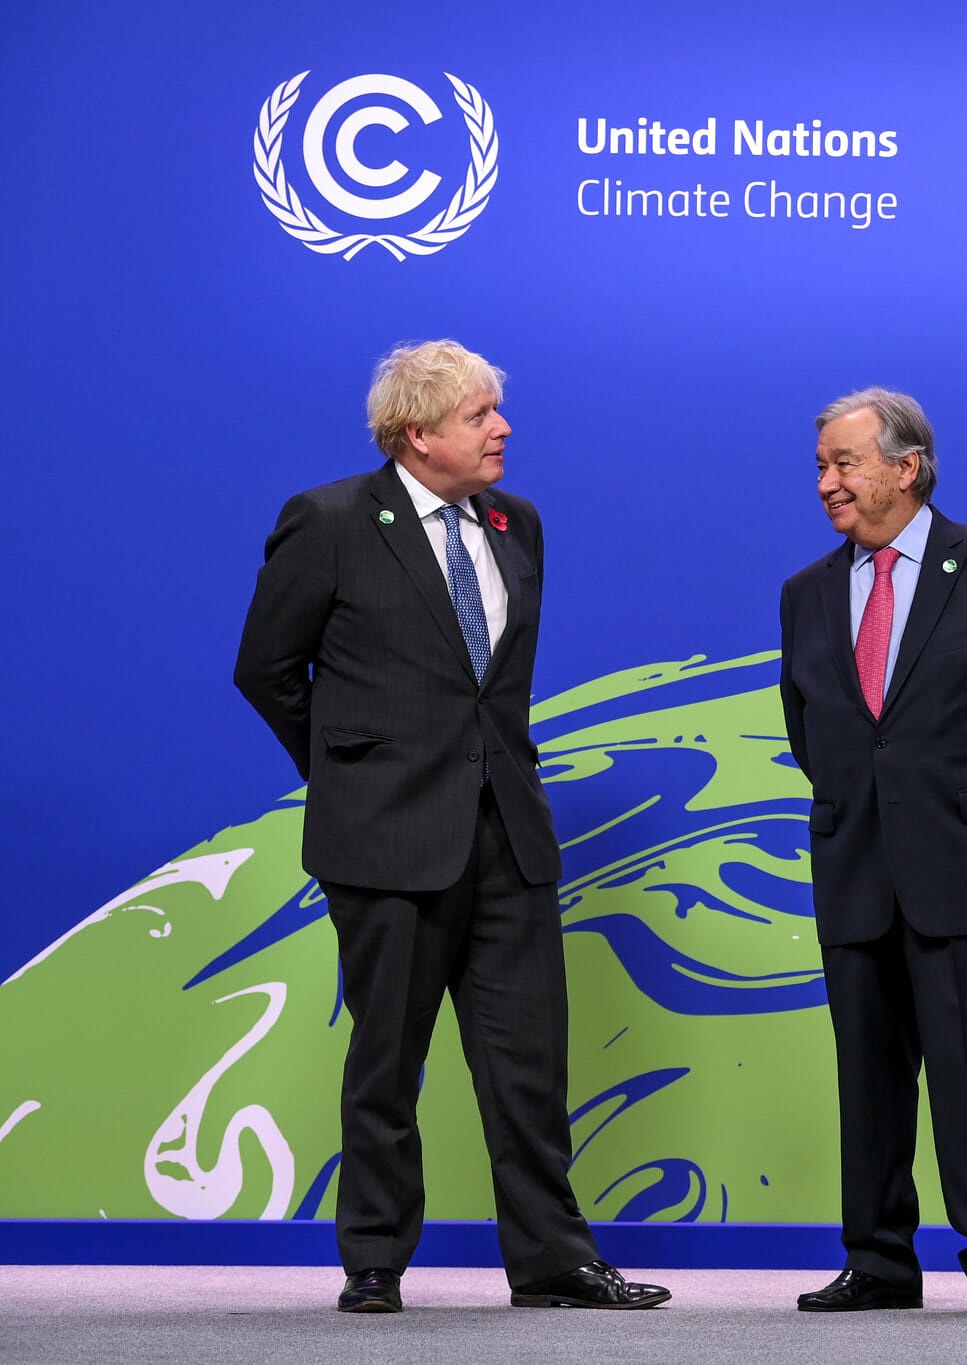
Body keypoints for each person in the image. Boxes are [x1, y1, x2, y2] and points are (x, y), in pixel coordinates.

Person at [233, 340, 668, 1314]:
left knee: (528, 1065)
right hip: (385, 841)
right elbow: (266, 668)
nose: (502, 428)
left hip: (509, 835)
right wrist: (351, 776)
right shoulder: (333, 520)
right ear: (418, 433)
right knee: (386, 1059)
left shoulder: (520, 524)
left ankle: (554, 1261)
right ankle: (376, 1263)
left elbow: (490, 691)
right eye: (479, 415)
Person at [778, 387, 967, 1321]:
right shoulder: (807, 592)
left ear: (906, 467)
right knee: (866, 1084)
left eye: (843, 463)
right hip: (855, 869)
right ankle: (877, 1262)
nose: (826, 482)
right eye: (820, 465)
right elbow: (812, 730)